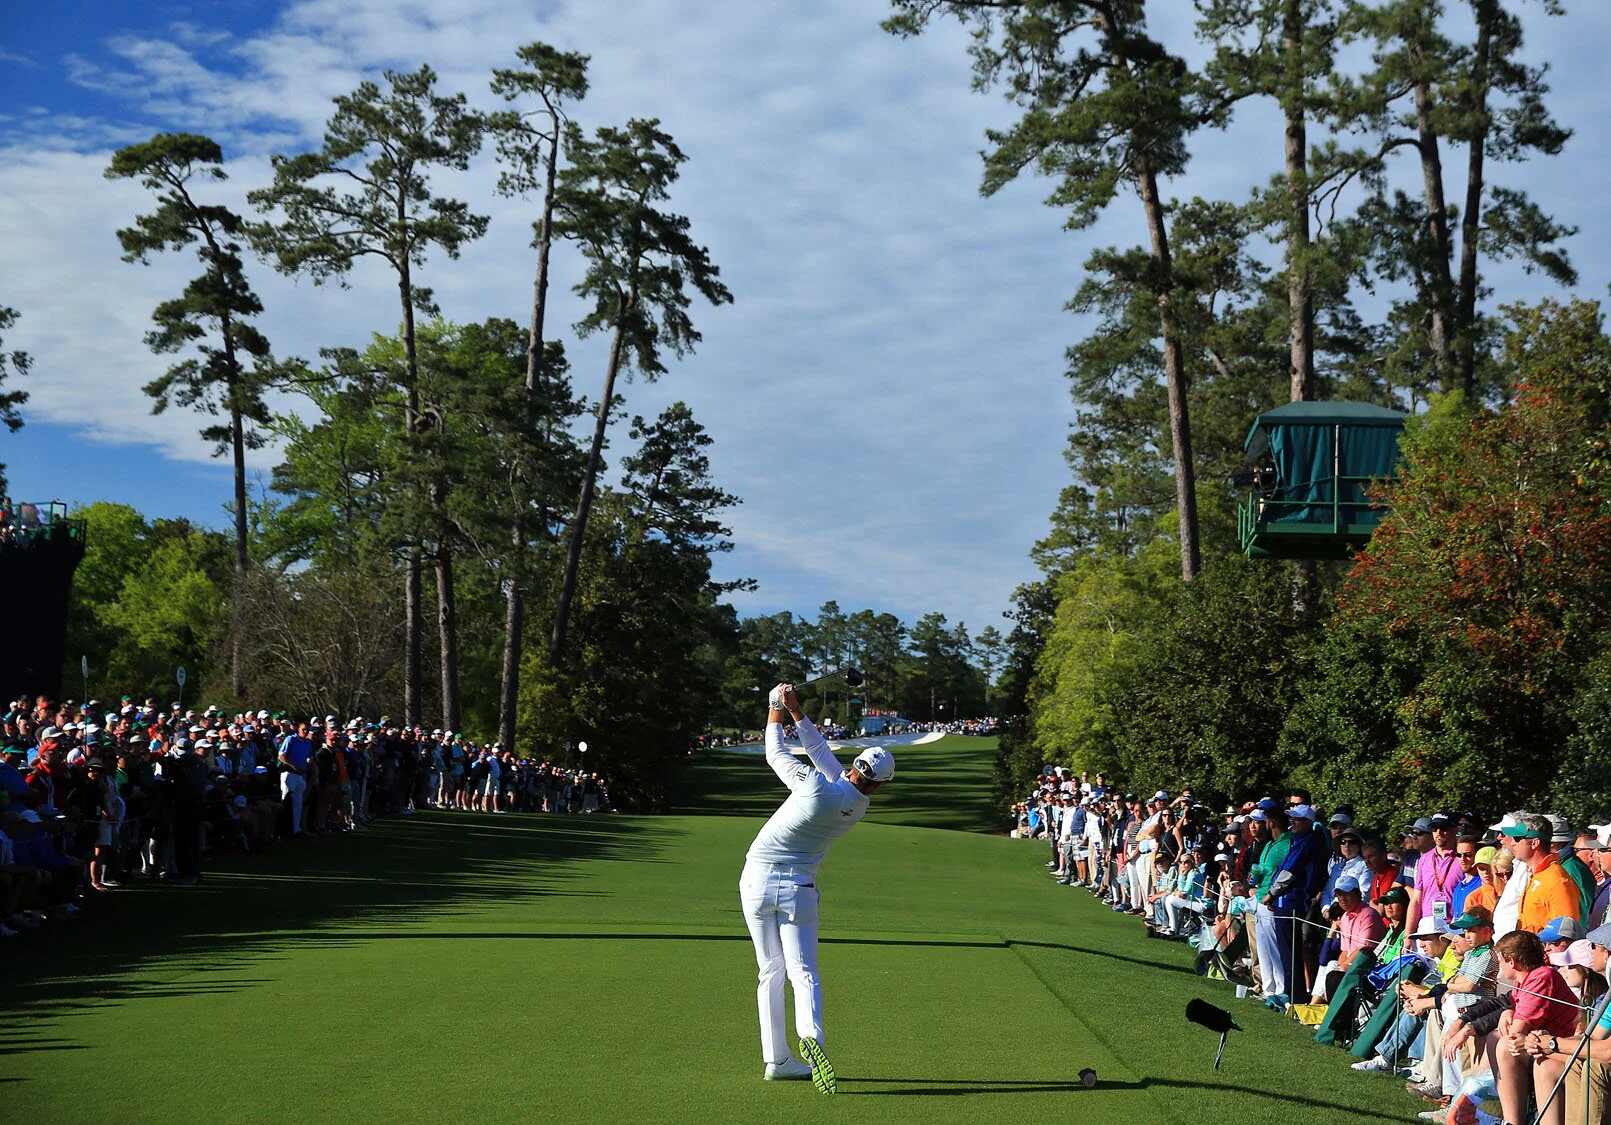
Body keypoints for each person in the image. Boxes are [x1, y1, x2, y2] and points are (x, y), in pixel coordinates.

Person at [740, 683, 894, 1094]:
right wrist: (796, 713)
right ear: (877, 785)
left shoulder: (813, 786)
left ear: (855, 766)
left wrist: (774, 707)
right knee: (803, 972)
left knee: (768, 972)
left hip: (755, 880)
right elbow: (824, 756)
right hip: (798, 888)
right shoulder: (855, 804)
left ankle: (777, 1060)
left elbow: (775, 753)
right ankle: (813, 1040)